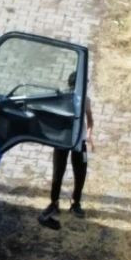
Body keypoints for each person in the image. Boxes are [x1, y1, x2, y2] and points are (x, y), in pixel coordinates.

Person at [39, 73, 95, 224]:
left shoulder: (85, 99)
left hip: (79, 141)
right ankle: (54, 202)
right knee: (58, 172)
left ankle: (76, 203)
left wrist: (89, 135)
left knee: (80, 173)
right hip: (62, 140)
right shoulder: (62, 98)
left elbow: (90, 119)